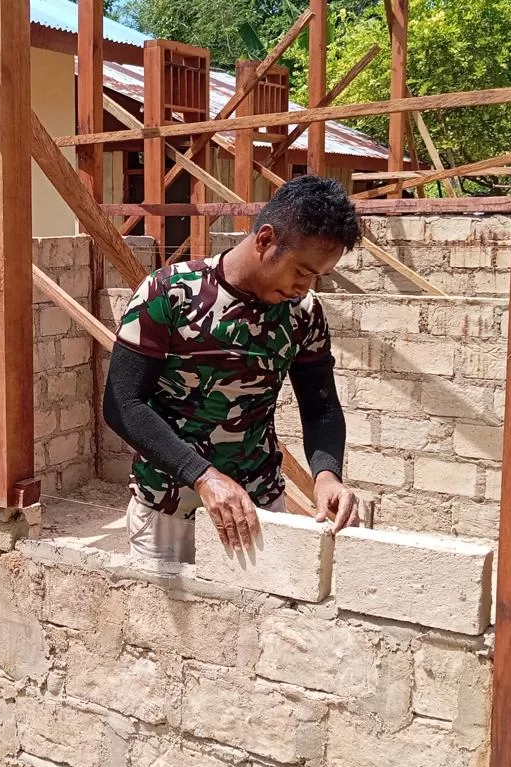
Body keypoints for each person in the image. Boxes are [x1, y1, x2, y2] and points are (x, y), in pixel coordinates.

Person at [103, 174, 362, 565]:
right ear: (265, 240)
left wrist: (327, 475)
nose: (305, 287)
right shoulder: (169, 293)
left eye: (316, 277)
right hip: (166, 507)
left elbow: (320, 407)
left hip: (257, 507)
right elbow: (122, 404)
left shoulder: (303, 313)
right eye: (301, 271)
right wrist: (203, 476)